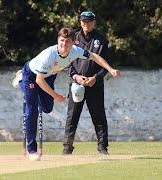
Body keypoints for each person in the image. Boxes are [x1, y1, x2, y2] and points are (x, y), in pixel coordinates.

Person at [12, 27, 119, 161]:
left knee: (47, 108)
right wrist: (56, 96)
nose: (64, 44)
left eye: (67, 41)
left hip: (49, 76)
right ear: (58, 40)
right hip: (32, 75)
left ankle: (29, 89)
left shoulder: (76, 51)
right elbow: (39, 80)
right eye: (61, 40)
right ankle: (32, 149)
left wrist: (110, 69)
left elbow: (94, 56)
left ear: (73, 42)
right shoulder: (49, 55)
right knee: (32, 110)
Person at [62, 11, 114, 156]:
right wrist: (75, 75)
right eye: (83, 21)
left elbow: (106, 65)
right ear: (80, 22)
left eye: (89, 21)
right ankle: (67, 148)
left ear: (94, 22)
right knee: (72, 117)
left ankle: (103, 148)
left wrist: (95, 78)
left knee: (98, 116)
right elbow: (64, 61)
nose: (86, 24)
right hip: (76, 84)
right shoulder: (73, 38)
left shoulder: (101, 40)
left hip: (94, 85)